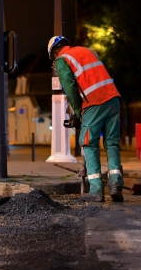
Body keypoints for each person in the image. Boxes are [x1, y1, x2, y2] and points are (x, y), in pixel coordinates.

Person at [48, 36, 124, 202]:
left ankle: (96, 190)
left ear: (54, 52)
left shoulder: (62, 59)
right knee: (111, 143)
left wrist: (77, 111)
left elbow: (70, 87)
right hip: (113, 99)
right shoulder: (88, 51)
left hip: (94, 103)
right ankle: (116, 183)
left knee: (89, 144)